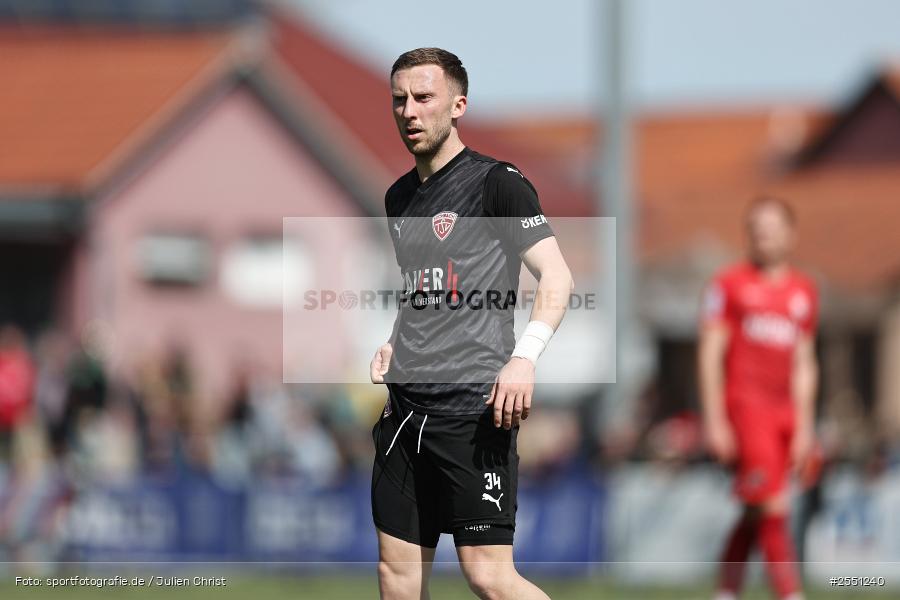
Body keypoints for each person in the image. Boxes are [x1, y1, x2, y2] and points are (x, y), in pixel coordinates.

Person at [369, 48, 573, 600]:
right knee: (396, 576)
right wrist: (394, 342)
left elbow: (556, 277)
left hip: (473, 412)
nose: (408, 111)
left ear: (458, 105)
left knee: (488, 576)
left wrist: (524, 357)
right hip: (405, 411)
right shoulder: (399, 198)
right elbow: (422, 289)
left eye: (423, 97)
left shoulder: (497, 184)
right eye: (399, 99)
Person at [698, 197, 819, 600]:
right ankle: (790, 592)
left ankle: (726, 592)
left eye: (772, 225)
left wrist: (804, 425)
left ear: (791, 233)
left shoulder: (804, 291)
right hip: (746, 409)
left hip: (785, 412)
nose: (763, 233)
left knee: (755, 506)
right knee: (772, 504)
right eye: (756, 226)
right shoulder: (729, 284)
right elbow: (710, 353)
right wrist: (715, 420)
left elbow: (804, 361)